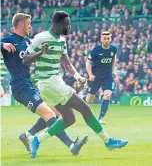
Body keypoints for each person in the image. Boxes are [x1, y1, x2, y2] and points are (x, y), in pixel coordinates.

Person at [22, 11, 128, 158]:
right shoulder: (41, 38)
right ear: (58, 25)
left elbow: (66, 63)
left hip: (54, 82)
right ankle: (108, 141)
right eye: (67, 25)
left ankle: (37, 139)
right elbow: (25, 59)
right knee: (85, 108)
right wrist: (40, 52)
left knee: (69, 119)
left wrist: (78, 76)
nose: (69, 27)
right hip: (48, 83)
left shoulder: (61, 40)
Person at [1, 13, 87, 156]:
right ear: (21, 25)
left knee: (57, 112)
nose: (30, 27)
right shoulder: (9, 40)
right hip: (20, 86)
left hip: (31, 83)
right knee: (49, 113)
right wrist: (2, 44)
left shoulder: (29, 42)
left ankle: (28, 135)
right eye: (29, 24)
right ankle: (71, 145)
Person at [83, 31, 117, 125]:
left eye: (108, 38)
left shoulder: (113, 49)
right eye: (104, 39)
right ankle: (82, 98)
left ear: (110, 39)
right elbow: (88, 62)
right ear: (101, 39)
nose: (106, 40)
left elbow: (113, 58)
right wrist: (90, 75)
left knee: (107, 95)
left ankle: (100, 118)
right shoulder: (96, 50)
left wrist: (113, 70)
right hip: (96, 77)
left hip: (108, 77)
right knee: (89, 100)